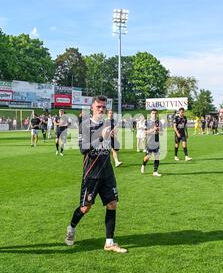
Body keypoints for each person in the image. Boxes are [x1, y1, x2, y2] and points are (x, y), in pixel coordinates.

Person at [64, 96, 126, 253]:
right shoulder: (84, 125)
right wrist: (101, 137)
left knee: (112, 204)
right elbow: (83, 149)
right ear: (92, 108)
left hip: (107, 173)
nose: (101, 109)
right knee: (85, 208)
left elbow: (116, 148)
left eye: (103, 107)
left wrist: (113, 137)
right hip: (91, 174)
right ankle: (71, 228)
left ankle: (109, 243)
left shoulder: (108, 123)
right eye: (98, 106)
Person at [141, 109, 163, 177]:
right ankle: (143, 165)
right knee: (148, 156)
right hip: (149, 141)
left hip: (156, 141)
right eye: (153, 113)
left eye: (155, 113)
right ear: (150, 114)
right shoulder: (147, 122)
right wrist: (153, 129)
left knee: (157, 156)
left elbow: (162, 133)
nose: (154, 114)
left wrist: (158, 131)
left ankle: (155, 171)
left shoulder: (159, 122)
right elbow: (145, 132)